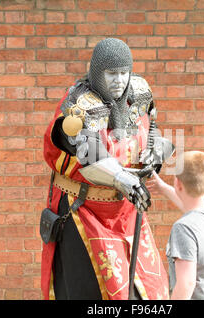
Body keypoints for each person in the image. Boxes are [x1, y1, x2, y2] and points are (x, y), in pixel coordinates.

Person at [41, 38, 171, 300]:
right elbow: (90, 158)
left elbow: (154, 132)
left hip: (127, 212)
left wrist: (158, 151)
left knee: (150, 292)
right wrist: (122, 178)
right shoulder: (78, 106)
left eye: (124, 73)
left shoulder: (138, 94)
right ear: (97, 72)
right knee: (97, 295)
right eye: (111, 74)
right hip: (84, 211)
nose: (119, 81)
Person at [146, 151, 204, 300]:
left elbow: (186, 283)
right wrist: (163, 187)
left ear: (178, 183)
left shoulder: (183, 228)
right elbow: (190, 207)